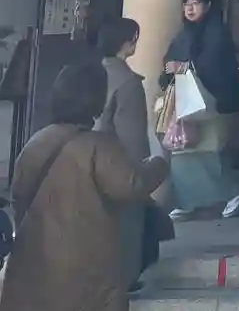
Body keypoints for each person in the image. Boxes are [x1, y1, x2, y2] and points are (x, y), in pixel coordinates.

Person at [0, 59, 169, 311]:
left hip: (34, 263)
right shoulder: (97, 146)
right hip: (86, 266)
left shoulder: (35, 142)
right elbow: (133, 184)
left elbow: (18, 196)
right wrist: (159, 162)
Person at [160, 0, 239, 221]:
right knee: (182, 150)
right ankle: (186, 201)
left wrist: (185, 66)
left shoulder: (217, 32)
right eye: (186, 4)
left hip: (213, 101)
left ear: (207, 6)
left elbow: (217, 64)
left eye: (195, 3)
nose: (190, 9)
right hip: (186, 103)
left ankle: (234, 193)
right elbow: (170, 59)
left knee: (209, 152)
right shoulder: (183, 34)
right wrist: (170, 69)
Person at [95, 17, 156, 291]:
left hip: (87, 158)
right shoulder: (128, 82)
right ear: (125, 41)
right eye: (133, 37)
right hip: (117, 162)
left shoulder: (93, 74)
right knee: (127, 223)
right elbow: (132, 139)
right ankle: (125, 277)